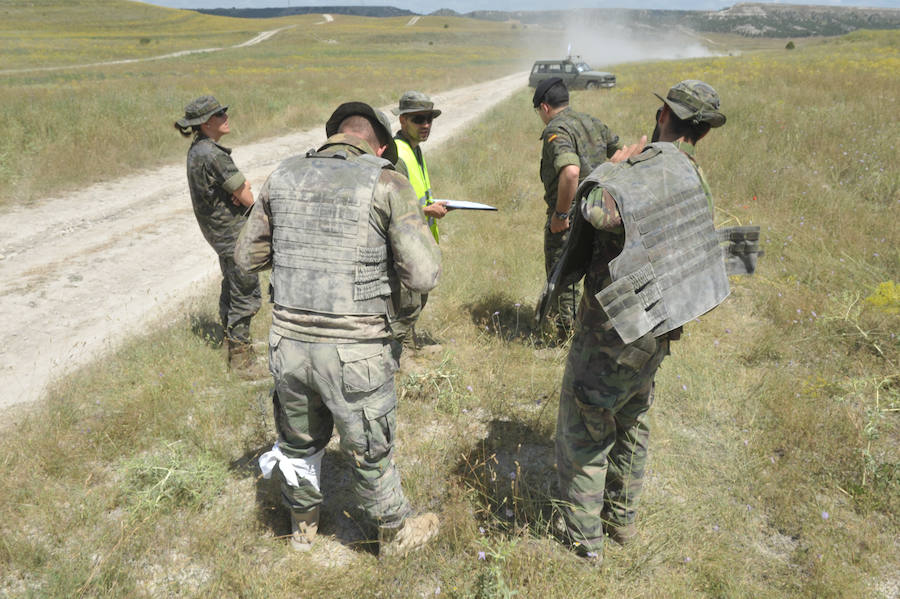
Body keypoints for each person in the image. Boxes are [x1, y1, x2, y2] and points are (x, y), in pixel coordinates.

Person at [538, 80, 759, 562]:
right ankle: (621, 523)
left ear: (664, 116)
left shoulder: (647, 169)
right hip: (662, 323)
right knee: (633, 418)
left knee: (585, 424)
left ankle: (583, 544)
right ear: (702, 131)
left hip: (615, 328)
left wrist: (611, 169)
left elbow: (597, 211)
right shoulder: (692, 174)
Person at [234, 102, 442, 557]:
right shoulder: (388, 181)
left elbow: (245, 257)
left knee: (297, 442)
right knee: (369, 448)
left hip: (288, 343)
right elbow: (423, 274)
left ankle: (302, 527)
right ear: (381, 144)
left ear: (331, 136)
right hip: (358, 350)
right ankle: (393, 533)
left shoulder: (283, 175)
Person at [175, 95, 264, 379]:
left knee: (232, 286)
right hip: (233, 233)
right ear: (205, 123)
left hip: (219, 233)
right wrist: (243, 192)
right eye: (219, 114)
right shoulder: (214, 155)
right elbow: (248, 197)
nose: (226, 116)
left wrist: (238, 195)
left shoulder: (198, 150)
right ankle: (242, 362)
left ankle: (233, 346)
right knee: (245, 293)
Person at [534, 77, 622, 341]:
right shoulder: (592, 122)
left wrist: (560, 215)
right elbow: (623, 152)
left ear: (545, 107)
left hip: (571, 216)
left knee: (565, 274)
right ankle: (590, 326)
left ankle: (567, 336)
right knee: (595, 273)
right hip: (600, 211)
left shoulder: (557, 130)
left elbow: (570, 172)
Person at [392, 90, 447, 243]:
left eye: (429, 119)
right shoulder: (397, 155)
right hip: (408, 245)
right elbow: (391, 209)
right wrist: (428, 211)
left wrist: (432, 206)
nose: (426, 125)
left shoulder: (415, 148)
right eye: (418, 119)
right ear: (403, 120)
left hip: (420, 243)